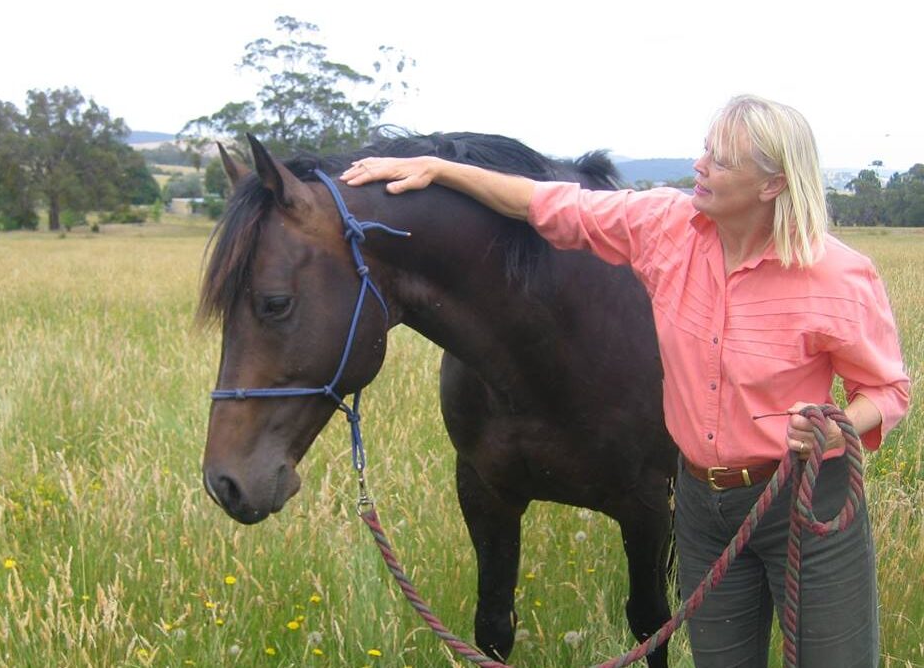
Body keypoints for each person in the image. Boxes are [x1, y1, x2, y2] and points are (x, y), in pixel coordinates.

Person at [341, 94, 910, 667]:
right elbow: (548, 203)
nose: (700, 166)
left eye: (722, 160)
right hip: (702, 507)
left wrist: (841, 429)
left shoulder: (838, 275)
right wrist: (440, 170)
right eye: (705, 150)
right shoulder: (665, 225)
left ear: (771, 185)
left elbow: (888, 391)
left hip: (802, 502)